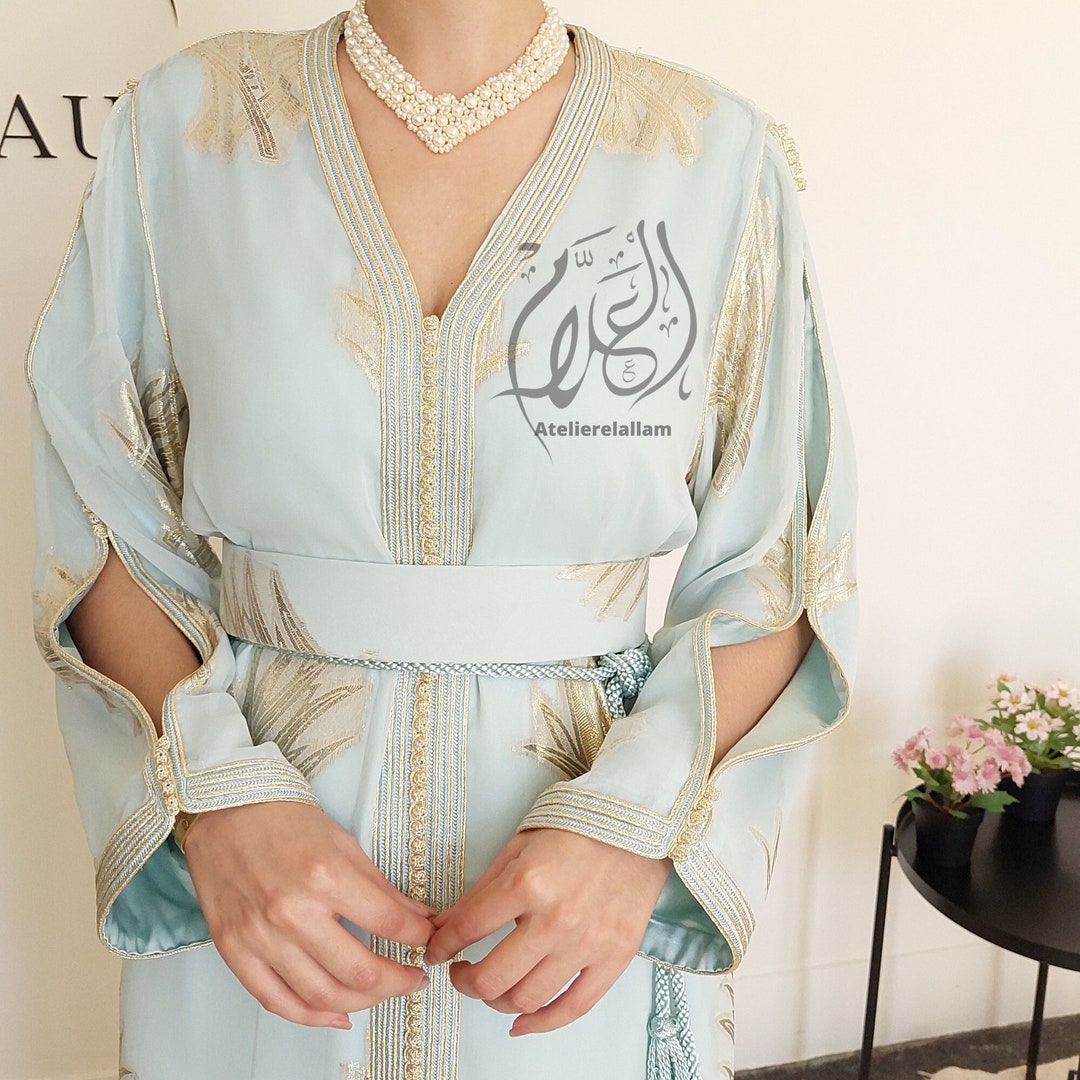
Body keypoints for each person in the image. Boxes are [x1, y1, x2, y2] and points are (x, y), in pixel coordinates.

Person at [25, 0, 858, 1076]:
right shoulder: (184, 127)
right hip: (265, 884)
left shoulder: (712, 155)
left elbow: (779, 562)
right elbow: (101, 504)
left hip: (578, 894)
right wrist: (215, 800)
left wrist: (634, 827)